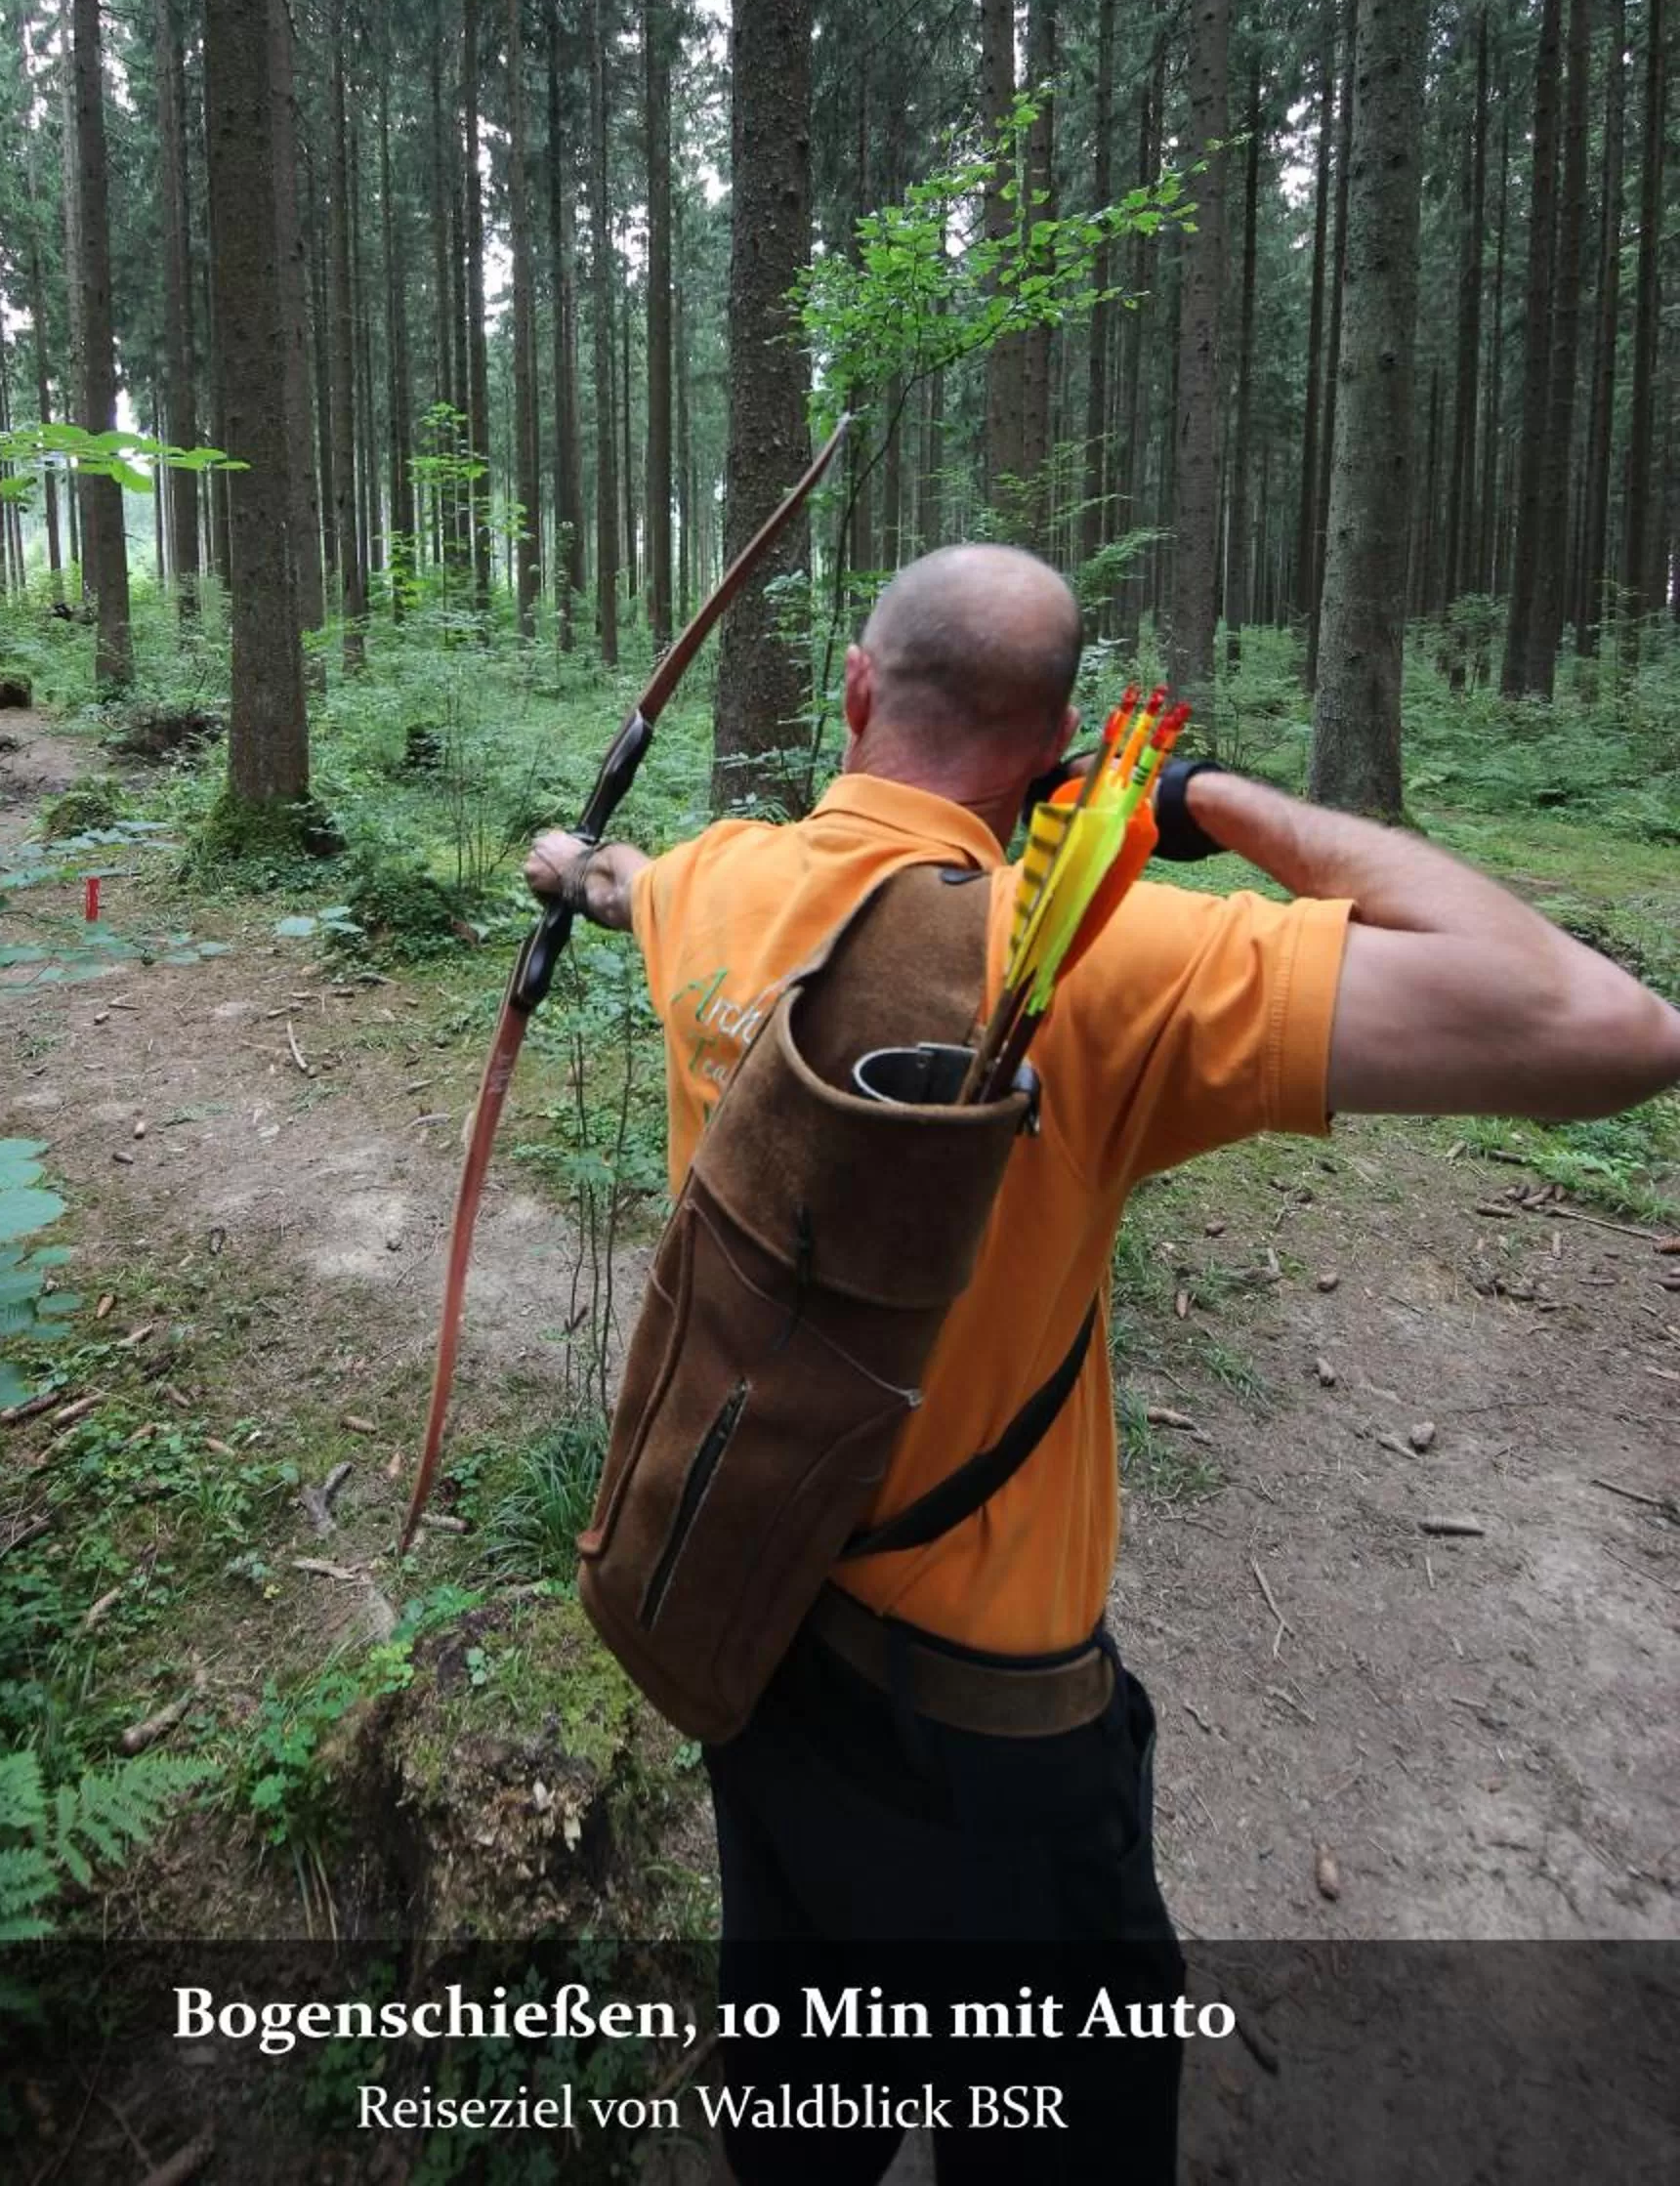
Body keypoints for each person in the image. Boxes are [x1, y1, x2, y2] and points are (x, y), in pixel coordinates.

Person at [523, 545, 1680, 2183]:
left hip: (748, 1622)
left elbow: (647, 883)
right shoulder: (1113, 967)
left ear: (857, 691)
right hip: (988, 1749)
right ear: (1062, 741)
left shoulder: (722, 883)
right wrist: (1217, 805)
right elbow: (1612, 1029)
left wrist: (576, 865)